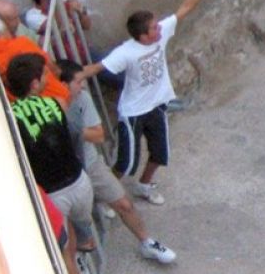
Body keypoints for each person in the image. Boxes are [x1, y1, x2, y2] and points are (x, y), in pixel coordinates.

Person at [78, 0, 222, 205]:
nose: (160, 28)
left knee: (160, 154)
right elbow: (97, 68)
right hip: (133, 112)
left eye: (157, 25)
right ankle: (105, 198)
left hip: (156, 106)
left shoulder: (161, 33)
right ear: (143, 36)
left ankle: (144, 185)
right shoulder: (126, 52)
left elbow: (185, 8)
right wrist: (69, 80)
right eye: (154, 28)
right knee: (126, 163)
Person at [57, 60, 177, 264]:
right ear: (63, 85)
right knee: (71, 223)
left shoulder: (82, 98)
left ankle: (147, 242)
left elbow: (98, 135)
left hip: (91, 163)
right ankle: (79, 260)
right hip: (66, 172)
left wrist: (70, 130)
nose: (84, 86)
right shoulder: (48, 106)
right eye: (79, 82)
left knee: (124, 203)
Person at [6, 53, 95, 252]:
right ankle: (85, 243)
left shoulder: (10, 117)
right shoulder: (58, 103)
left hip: (51, 194)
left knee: (65, 248)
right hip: (78, 181)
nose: (49, 78)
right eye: (44, 74)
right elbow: (75, 138)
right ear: (35, 83)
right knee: (82, 235)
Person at [0, 14, 70, 107]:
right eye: (7, 30)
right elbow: (52, 67)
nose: (11, 34)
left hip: (29, 114)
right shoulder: (21, 43)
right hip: (58, 100)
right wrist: (61, 82)